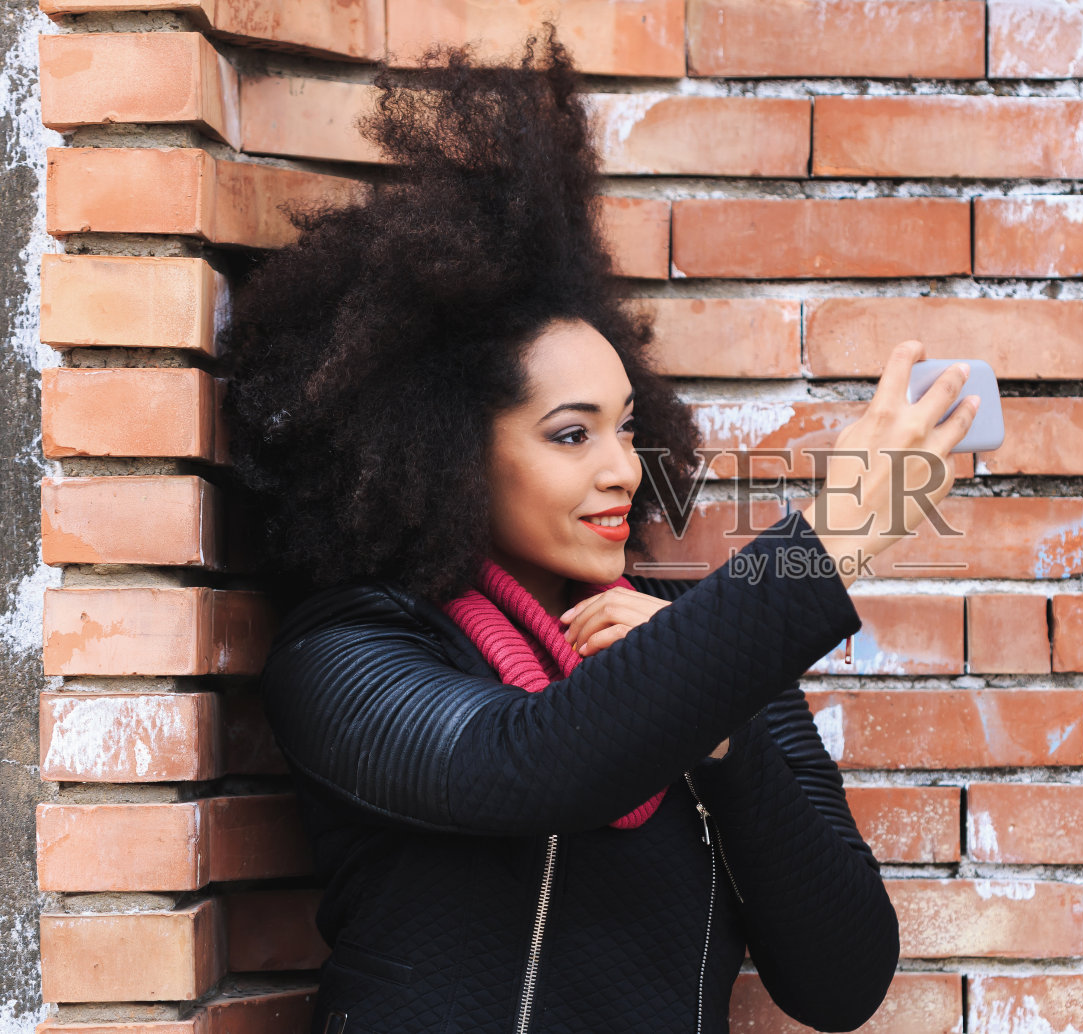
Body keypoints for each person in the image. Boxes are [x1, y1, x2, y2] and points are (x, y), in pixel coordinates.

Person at [216, 25, 982, 1034]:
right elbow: (531, 763)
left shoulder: (708, 647)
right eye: (571, 434)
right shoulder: (351, 650)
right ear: (448, 449)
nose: (622, 467)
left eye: (625, 427)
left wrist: (726, 735)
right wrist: (828, 540)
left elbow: (842, 978)